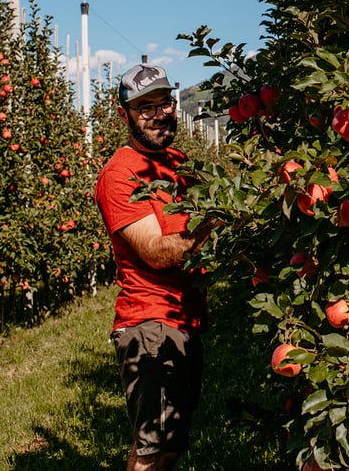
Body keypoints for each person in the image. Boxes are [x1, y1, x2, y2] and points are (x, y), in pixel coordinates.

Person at [95, 63, 212, 471]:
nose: (159, 114)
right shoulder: (119, 174)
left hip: (185, 319)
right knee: (151, 450)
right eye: (145, 108)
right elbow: (157, 252)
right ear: (123, 112)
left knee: (171, 445)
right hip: (150, 323)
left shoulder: (179, 162)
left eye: (164, 103)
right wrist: (214, 217)